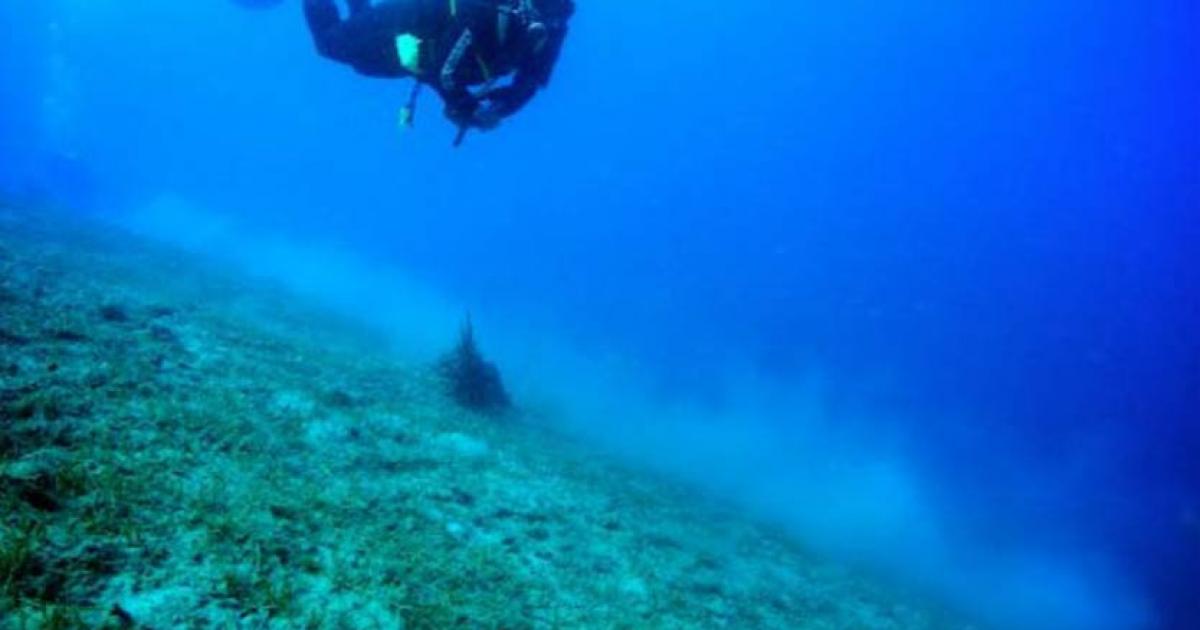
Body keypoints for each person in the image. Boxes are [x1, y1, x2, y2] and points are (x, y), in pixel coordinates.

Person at [304, 0, 573, 142]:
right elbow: (443, 71)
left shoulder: (554, 24)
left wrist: (496, 109)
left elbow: (529, 83)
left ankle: (359, 12)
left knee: (363, 64)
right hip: (406, 25)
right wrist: (466, 108)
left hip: (414, 54)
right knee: (330, 45)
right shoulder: (484, 11)